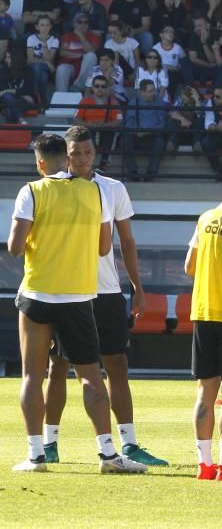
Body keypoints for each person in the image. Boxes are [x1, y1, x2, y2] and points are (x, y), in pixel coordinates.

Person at [9, 133, 144, 474]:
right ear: (65, 159)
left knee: (32, 376)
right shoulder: (94, 191)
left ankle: (37, 455)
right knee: (91, 378)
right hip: (79, 296)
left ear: (40, 163)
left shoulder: (31, 191)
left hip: (37, 293)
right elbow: (103, 248)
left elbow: (14, 246)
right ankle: (108, 454)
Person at [34, 126, 163, 470]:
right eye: (75, 153)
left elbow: (127, 241)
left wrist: (137, 286)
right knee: (57, 366)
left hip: (106, 291)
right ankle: (49, 444)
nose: (81, 159)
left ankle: (130, 444)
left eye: (87, 153)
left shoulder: (112, 188)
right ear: (65, 154)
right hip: (68, 291)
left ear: (96, 154)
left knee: (117, 364)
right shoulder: (51, 190)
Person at [121, 79, 169, 180]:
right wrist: (137, 131)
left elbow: (162, 124)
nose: (154, 93)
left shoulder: (160, 103)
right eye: (150, 91)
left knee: (160, 142)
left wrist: (148, 131)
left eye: (154, 90)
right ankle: (132, 172)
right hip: (136, 136)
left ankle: (151, 172)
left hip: (153, 136)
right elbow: (128, 123)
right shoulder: (134, 103)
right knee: (125, 140)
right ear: (142, 92)